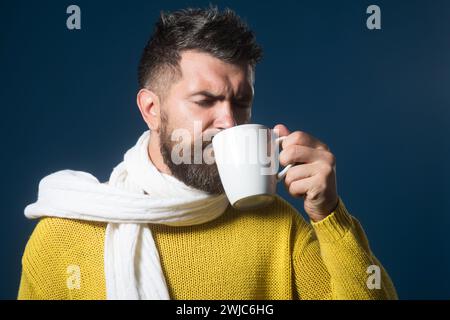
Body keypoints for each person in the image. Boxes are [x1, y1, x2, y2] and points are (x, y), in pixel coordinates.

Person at [18, 6, 397, 300]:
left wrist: (329, 215)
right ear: (152, 110)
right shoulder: (62, 237)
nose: (229, 123)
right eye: (205, 101)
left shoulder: (280, 227)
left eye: (241, 102)